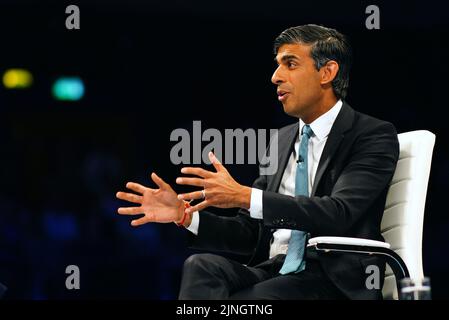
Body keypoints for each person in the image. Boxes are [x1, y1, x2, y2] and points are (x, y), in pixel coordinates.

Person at [116, 24, 399, 300]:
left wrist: (245, 196)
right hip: (275, 271)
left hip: (330, 279)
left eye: (290, 64)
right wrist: (186, 216)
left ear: (327, 72)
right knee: (200, 266)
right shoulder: (281, 140)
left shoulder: (371, 135)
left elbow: (339, 213)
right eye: (277, 65)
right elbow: (251, 233)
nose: (275, 76)